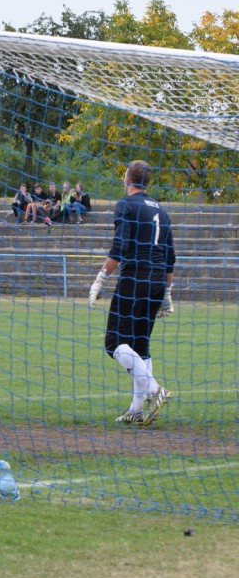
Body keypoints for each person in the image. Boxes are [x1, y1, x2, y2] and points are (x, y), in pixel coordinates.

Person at [88, 160, 174, 425]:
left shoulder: (126, 205)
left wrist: (100, 279)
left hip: (135, 277)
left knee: (114, 344)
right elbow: (170, 256)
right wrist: (168, 293)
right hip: (157, 280)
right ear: (148, 181)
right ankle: (136, 410)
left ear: (127, 178)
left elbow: (120, 246)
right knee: (140, 344)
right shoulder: (162, 209)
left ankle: (155, 390)